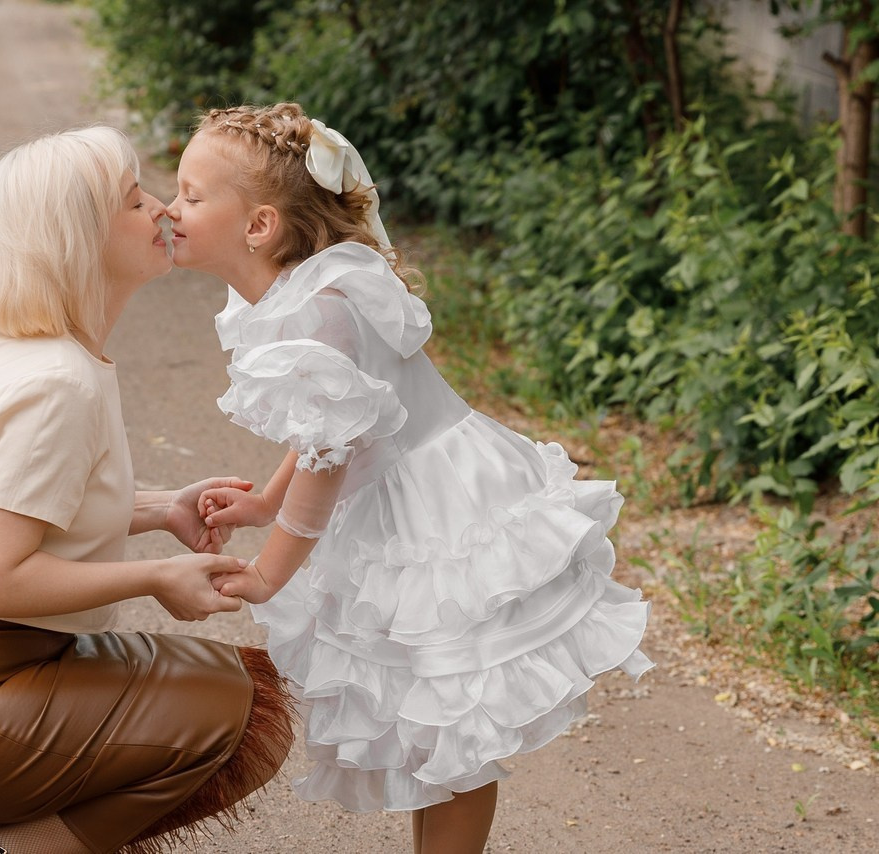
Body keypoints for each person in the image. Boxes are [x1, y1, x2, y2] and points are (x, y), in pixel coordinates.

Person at [164, 103, 654, 854]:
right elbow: (332, 422)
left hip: (440, 505)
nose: (173, 207)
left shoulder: (319, 310)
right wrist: (267, 497)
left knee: (450, 727)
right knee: (425, 729)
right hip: (391, 490)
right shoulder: (293, 294)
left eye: (193, 195)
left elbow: (331, 458)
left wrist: (269, 571)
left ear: (258, 226)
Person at [0, 126, 294, 854]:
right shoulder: (56, 382)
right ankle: (10, 850)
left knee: (238, 692)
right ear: (76, 241)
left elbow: (34, 513)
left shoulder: (38, 353)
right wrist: (158, 576)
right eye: (133, 202)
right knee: (232, 710)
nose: (161, 207)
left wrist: (162, 510)